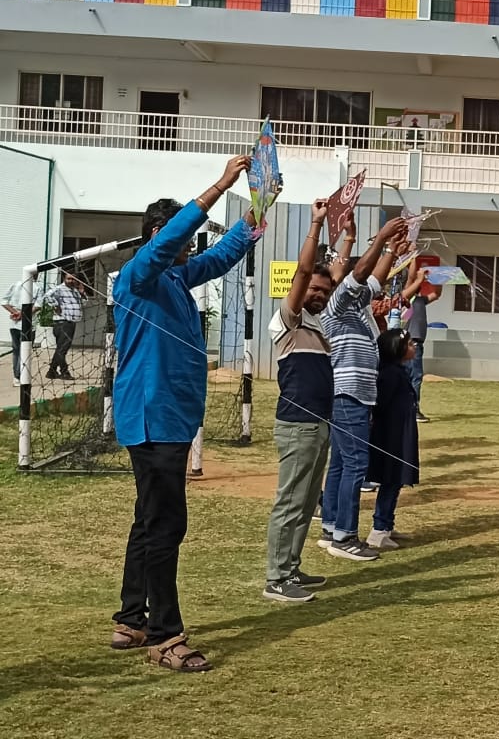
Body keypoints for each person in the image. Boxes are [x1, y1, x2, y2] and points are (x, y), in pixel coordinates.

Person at [110, 154, 258, 673]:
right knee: (166, 526)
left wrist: (253, 216)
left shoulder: (174, 279)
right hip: (153, 420)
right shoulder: (138, 275)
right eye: (179, 238)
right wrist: (220, 186)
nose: (189, 248)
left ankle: (131, 617)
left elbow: (217, 259)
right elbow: (174, 242)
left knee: (148, 521)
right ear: (157, 235)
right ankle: (166, 635)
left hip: (168, 419)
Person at [318, 215, 406, 561]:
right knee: (356, 464)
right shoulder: (337, 305)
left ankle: (331, 527)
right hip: (348, 394)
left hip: (355, 395)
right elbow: (359, 277)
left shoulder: (359, 307)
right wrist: (382, 238)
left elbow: (375, 279)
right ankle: (346, 536)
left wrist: (392, 253)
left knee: (341, 463)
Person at [263, 198, 337, 604]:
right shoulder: (288, 319)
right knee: (290, 502)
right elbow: (306, 269)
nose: (319, 293)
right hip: (297, 426)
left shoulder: (318, 324)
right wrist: (315, 225)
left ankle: (290, 568)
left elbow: (338, 273)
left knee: (307, 503)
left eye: (324, 291)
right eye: (313, 288)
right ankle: (275, 578)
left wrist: (346, 236)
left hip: (320, 426)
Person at [366, 328, 421, 550]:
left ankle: (386, 525)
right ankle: (379, 530)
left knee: (396, 481)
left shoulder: (400, 371)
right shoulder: (389, 374)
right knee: (390, 480)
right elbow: (381, 407)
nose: (413, 346)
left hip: (401, 435)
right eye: (408, 344)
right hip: (391, 437)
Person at [402, 261, 441, 424]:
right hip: (409, 343)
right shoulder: (406, 298)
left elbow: (436, 294)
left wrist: (438, 278)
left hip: (418, 344)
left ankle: (410, 407)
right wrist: (414, 260)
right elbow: (410, 279)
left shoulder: (420, 301)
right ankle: (413, 408)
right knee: (414, 376)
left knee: (413, 376)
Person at [44, 271, 85, 380]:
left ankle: (51, 372)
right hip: (63, 322)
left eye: (73, 279)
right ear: (64, 279)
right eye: (69, 279)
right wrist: (56, 305)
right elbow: (47, 296)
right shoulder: (60, 289)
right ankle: (64, 372)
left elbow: (83, 304)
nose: (71, 281)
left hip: (71, 322)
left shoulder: (75, 291)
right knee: (62, 349)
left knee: (61, 349)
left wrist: (82, 293)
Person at [3, 280, 23, 387]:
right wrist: (16, 313)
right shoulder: (16, 285)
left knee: (19, 351)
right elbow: (4, 302)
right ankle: (17, 376)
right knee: (19, 350)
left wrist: (17, 313)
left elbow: (4, 302)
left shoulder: (16, 285)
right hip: (18, 323)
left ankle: (18, 376)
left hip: (19, 322)